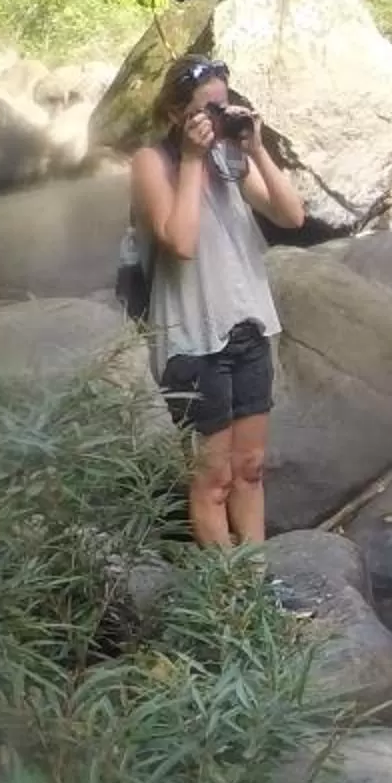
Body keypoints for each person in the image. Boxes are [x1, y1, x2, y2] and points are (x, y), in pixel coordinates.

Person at [130, 56, 301, 547]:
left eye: (223, 107)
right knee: (213, 480)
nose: (218, 119)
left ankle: (255, 586)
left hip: (248, 329)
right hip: (193, 342)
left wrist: (258, 149)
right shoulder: (154, 163)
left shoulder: (231, 159)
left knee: (249, 470)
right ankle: (229, 598)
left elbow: (291, 216)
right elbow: (180, 243)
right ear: (174, 116)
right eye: (207, 110)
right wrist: (189, 159)